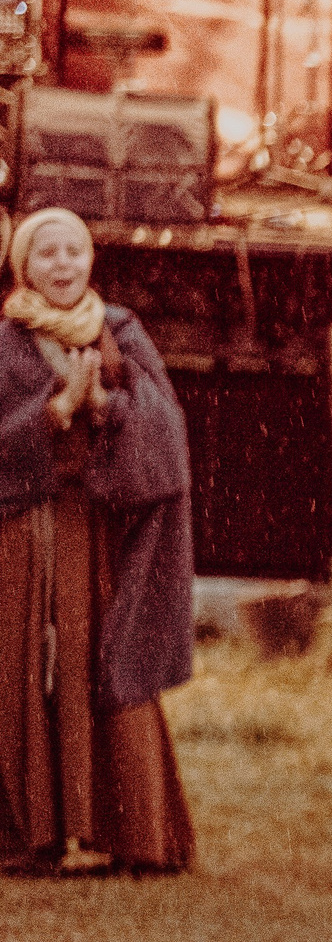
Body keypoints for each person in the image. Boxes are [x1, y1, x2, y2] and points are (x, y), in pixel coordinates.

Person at [0, 207, 194, 874]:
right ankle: (32, 837)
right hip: (24, 530)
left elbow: (166, 431)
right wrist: (49, 415)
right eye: (46, 254)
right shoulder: (5, 343)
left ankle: (133, 834)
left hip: (99, 529)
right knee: (21, 675)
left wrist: (107, 410)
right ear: (24, 268)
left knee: (103, 663)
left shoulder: (120, 332)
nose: (62, 265)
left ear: (90, 260)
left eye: (73, 251)